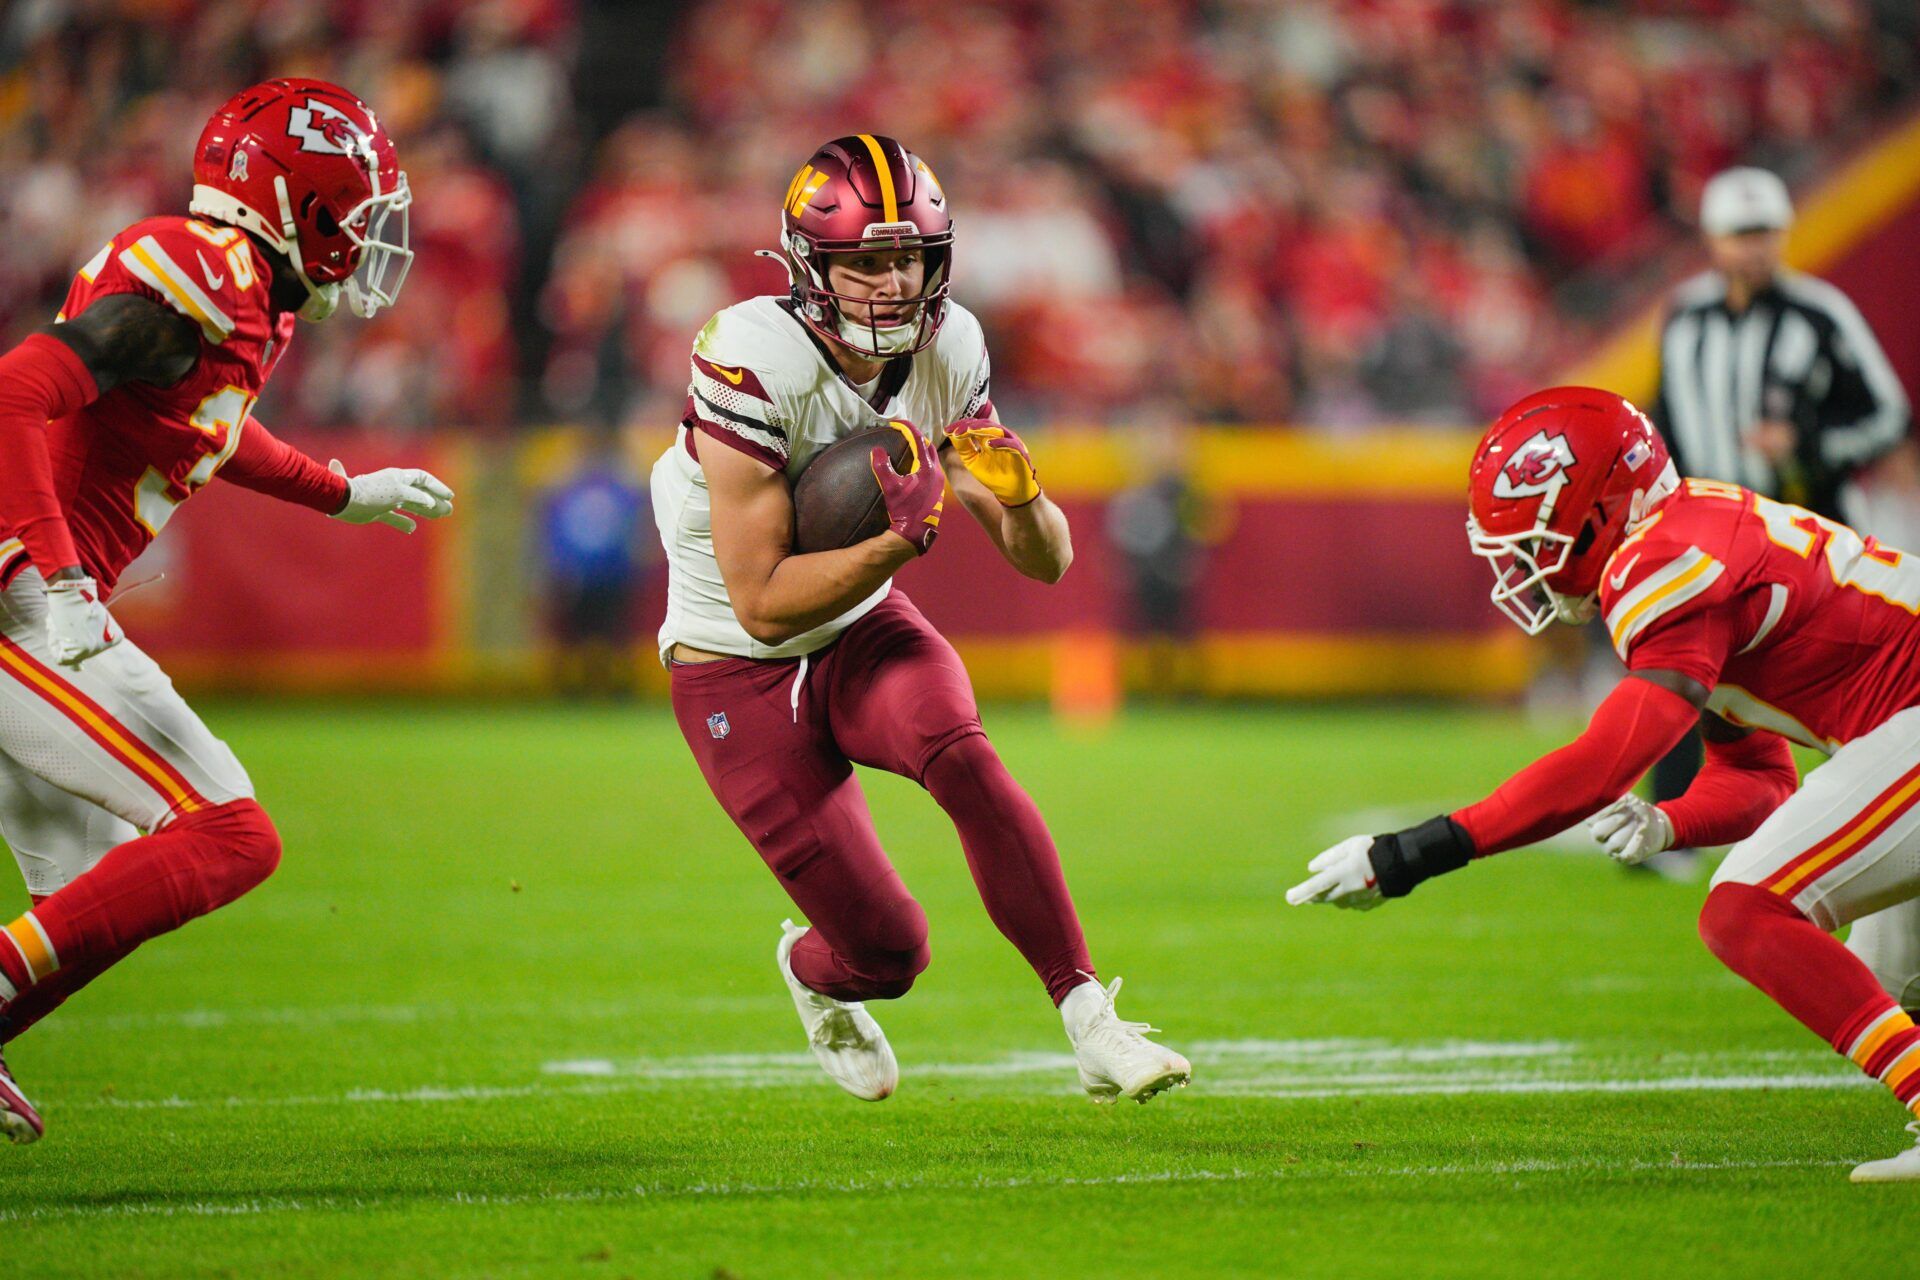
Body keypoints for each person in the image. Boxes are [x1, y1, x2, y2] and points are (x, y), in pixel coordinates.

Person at [650, 135, 1189, 1103]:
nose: (890, 283)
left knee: (963, 752)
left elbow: (1049, 564)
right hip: (736, 667)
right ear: (810, 265)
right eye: (863, 261)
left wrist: (1022, 502)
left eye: (906, 258)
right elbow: (763, 607)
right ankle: (812, 974)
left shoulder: (951, 348)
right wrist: (897, 544)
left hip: (863, 630)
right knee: (889, 950)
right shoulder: (749, 355)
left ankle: (1089, 1017)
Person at [1288, 386, 1920, 1182]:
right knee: (1891, 972)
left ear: (1592, 513)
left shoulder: (1659, 563)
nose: (1523, 566)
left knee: (1744, 911)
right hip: (1898, 728)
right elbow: (1761, 779)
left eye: (1531, 541)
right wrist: (1671, 824)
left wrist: (1413, 853)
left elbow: (1599, 765)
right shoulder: (1690, 530)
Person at [0, 80, 455, 1144]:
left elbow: (205, 425)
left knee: (84, 888)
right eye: (352, 211)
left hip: (39, 596)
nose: (366, 237)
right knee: (231, 831)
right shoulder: (199, 274)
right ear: (296, 204)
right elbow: (19, 390)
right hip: (22, 598)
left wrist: (340, 490)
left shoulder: (239, 295)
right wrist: (61, 576)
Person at [1646, 166, 1912, 828]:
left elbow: (1888, 414)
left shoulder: (1819, 313)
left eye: (1764, 231)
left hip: (1805, 533)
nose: (1754, 247)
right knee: (1678, 663)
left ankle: (1862, 815)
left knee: (1836, 676)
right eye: (1740, 233)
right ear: (1712, 239)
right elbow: (1666, 422)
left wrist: (1807, 445)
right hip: (1707, 534)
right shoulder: (1684, 319)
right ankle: (1675, 814)